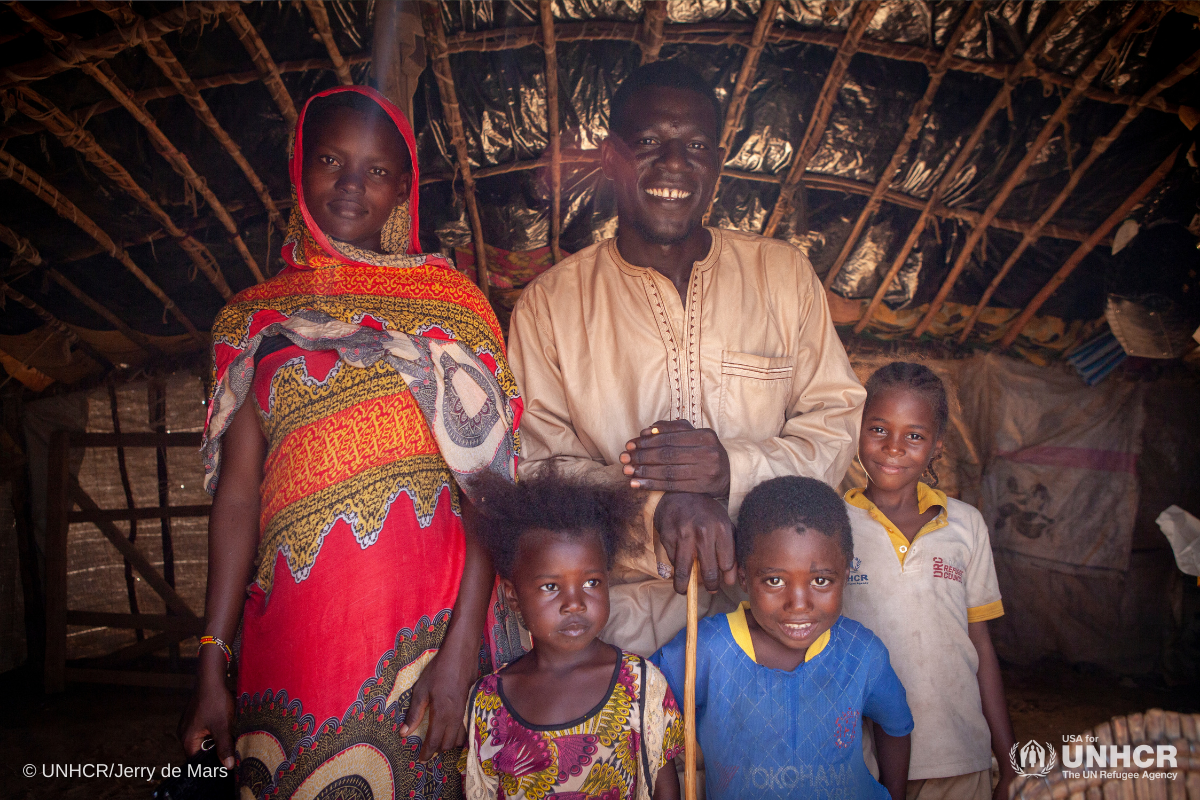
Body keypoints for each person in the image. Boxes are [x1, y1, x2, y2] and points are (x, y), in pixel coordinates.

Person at [180, 86, 523, 800]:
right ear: (301, 169)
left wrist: (462, 652)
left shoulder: (452, 308)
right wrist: (213, 659)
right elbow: (240, 496)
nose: (349, 184)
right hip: (293, 641)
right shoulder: (254, 319)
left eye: (374, 170)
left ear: (403, 187)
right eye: (332, 160)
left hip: (430, 638)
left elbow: (491, 487)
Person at [507, 60, 865, 656]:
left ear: (718, 163)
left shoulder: (783, 276)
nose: (674, 163)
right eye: (649, 143)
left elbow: (835, 423)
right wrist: (658, 508)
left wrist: (732, 470)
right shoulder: (551, 303)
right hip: (620, 628)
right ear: (610, 157)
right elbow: (540, 468)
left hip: (774, 620)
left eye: (696, 145)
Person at [651, 476, 913, 800]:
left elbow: (895, 725)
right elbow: (646, 710)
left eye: (820, 580)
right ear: (744, 577)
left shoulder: (861, 653)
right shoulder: (706, 650)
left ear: (845, 575)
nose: (799, 604)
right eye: (774, 580)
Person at [841, 362, 1017, 800]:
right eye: (878, 429)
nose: (894, 447)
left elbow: (980, 644)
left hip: (958, 754)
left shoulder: (966, 525)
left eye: (914, 436)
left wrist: (1009, 761)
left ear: (937, 446)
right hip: (859, 757)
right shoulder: (832, 524)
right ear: (856, 430)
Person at [464, 471, 684, 800]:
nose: (575, 603)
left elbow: (663, 787)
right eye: (551, 587)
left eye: (591, 582)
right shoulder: (487, 702)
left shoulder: (640, 686)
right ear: (512, 595)